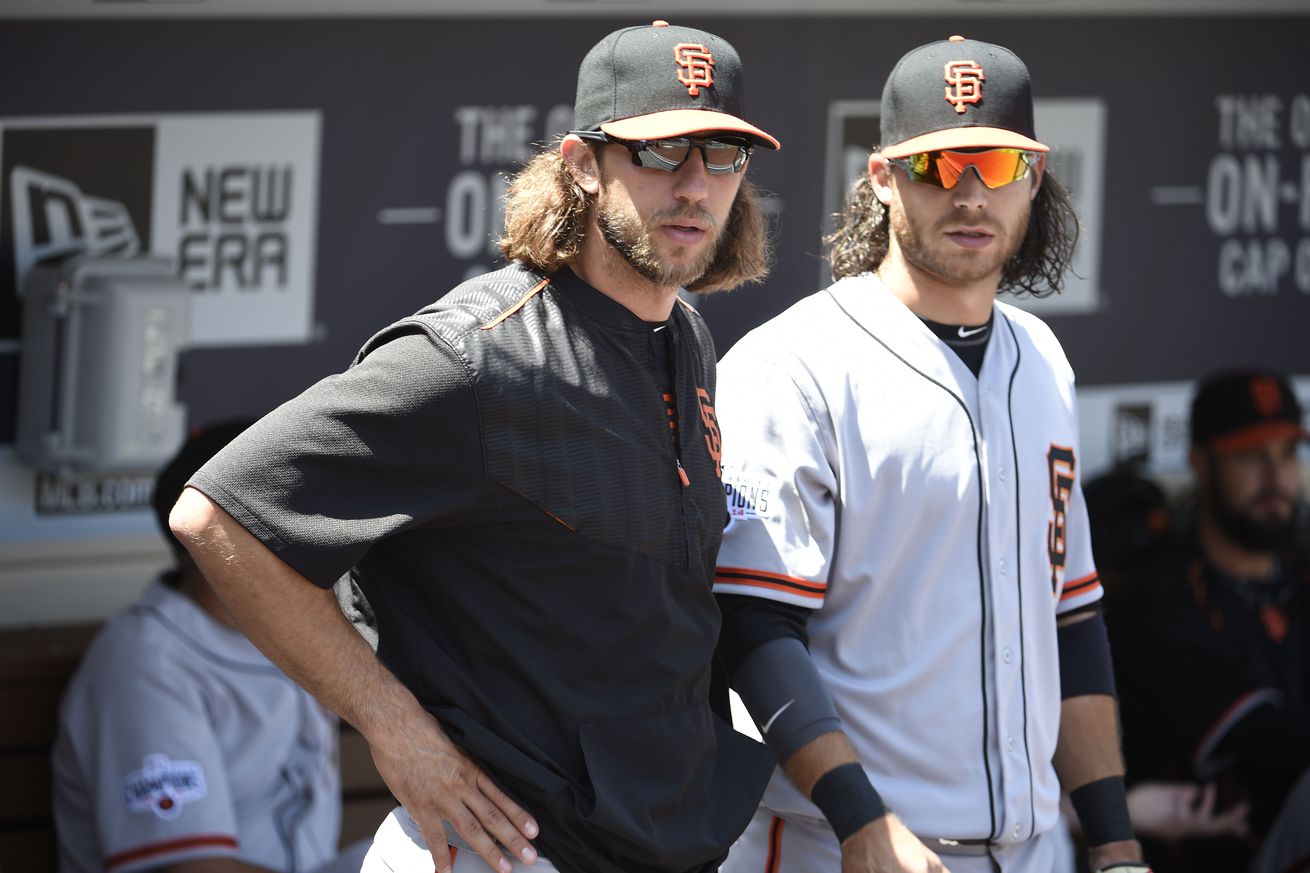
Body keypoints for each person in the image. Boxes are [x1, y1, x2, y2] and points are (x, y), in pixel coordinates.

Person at [168, 20, 780, 873]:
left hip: (656, 841)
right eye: (660, 152)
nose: (695, 185)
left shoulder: (685, 334)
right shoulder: (473, 357)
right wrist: (392, 726)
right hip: (505, 851)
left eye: (722, 153)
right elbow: (218, 516)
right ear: (580, 163)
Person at [711, 34, 1148, 873]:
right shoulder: (793, 365)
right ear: (882, 178)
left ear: (1035, 174)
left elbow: (1073, 618)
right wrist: (859, 819)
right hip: (840, 846)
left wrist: (1116, 837)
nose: (972, 194)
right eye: (940, 168)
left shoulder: (1042, 360)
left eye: (996, 165)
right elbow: (753, 626)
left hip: (1033, 849)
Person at [51, 421, 370, 873]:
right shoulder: (145, 667)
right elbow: (192, 868)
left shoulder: (286, 625)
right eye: (287, 514)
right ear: (214, 540)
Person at [1108, 369, 1310, 873]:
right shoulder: (1162, 598)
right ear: (1200, 462)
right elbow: (1269, 744)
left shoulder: (1301, 575)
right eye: (1250, 455)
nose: (1275, 475)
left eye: (1287, 453)